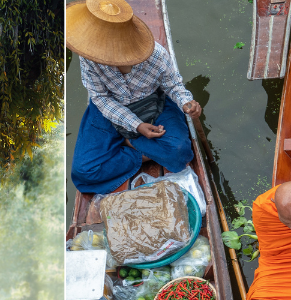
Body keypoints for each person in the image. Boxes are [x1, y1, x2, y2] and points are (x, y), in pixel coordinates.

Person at [67, 0, 201, 194]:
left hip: (154, 102)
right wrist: (136, 126)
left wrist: (186, 102)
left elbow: (173, 85)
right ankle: (141, 147)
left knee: (180, 153)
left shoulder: (156, 55)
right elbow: (101, 99)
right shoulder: (90, 56)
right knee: (84, 172)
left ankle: (127, 143)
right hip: (110, 108)